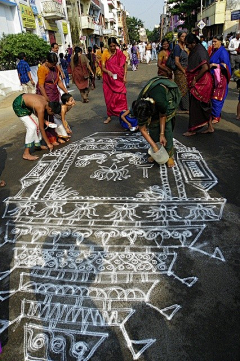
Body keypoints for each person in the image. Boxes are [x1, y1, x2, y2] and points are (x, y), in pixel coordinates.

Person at [132, 77, 181, 168]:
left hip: (166, 101)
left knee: (167, 129)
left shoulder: (160, 102)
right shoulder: (140, 107)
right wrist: (154, 146)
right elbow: (143, 129)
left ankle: (169, 155)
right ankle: (156, 151)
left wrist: (162, 134)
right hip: (152, 105)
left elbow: (163, 115)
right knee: (153, 127)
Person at [12, 93, 61, 160]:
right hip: (19, 105)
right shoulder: (41, 108)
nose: (52, 115)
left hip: (26, 103)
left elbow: (35, 108)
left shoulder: (47, 101)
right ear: (50, 109)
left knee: (37, 123)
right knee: (32, 127)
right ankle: (26, 153)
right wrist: (48, 143)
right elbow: (42, 128)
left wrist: (45, 121)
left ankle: (37, 145)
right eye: (53, 113)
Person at [183, 34, 214, 136]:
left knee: (196, 106)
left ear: (194, 43)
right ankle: (210, 127)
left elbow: (205, 67)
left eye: (188, 45)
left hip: (202, 83)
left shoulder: (199, 51)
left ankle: (193, 129)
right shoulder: (197, 49)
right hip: (203, 81)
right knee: (205, 105)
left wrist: (195, 79)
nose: (187, 47)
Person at [36, 52, 69, 143]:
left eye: (54, 64)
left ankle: (59, 135)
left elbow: (58, 82)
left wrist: (66, 92)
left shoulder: (55, 68)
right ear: (47, 61)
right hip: (45, 93)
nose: (53, 66)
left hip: (54, 92)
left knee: (55, 113)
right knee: (48, 116)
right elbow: (41, 86)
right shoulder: (42, 69)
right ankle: (51, 138)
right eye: (52, 64)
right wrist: (46, 98)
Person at [202, 34, 231, 133]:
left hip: (221, 78)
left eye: (215, 42)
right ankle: (214, 114)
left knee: (217, 97)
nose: (213, 43)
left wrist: (215, 65)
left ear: (220, 42)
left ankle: (216, 116)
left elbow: (225, 65)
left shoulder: (223, 52)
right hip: (214, 77)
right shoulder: (213, 50)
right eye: (213, 41)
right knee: (212, 96)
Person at [101, 37, 128, 124]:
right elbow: (103, 67)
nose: (112, 48)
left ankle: (124, 114)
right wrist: (108, 71)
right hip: (109, 80)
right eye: (111, 46)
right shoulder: (105, 54)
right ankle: (109, 116)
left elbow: (124, 65)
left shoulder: (119, 53)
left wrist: (124, 77)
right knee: (109, 98)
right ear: (108, 46)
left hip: (119, 79)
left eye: (114, 46)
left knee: (121, 96)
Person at [173, 31, 189, 112]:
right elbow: (176, 61)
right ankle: (182, 106)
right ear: (179, 38)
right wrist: (183, 70)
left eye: (185, 36)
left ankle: (184, 106)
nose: (184, 38)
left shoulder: (185, 47)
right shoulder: (177, 47)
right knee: (182, 88)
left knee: (186, 88)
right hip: (180, 71)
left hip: (186, 69)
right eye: (182, 36)